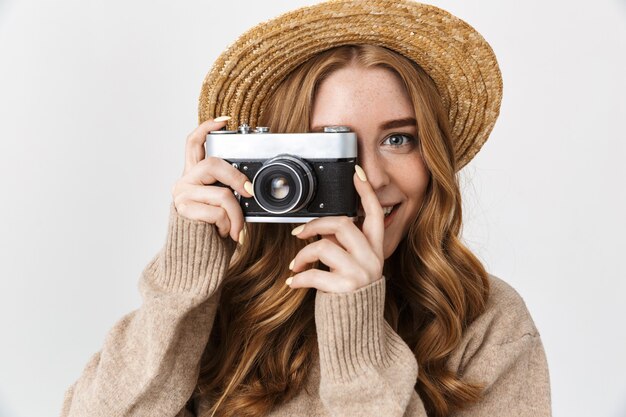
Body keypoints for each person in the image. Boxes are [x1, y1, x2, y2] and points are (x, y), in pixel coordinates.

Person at [60, 1, 551, 416]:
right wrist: (184, 283)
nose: (371, 178)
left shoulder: (487, 322)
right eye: (331, 146)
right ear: (281, 163)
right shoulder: (220, 308)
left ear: (433, 159)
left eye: (399, 139)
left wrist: (359, 340)